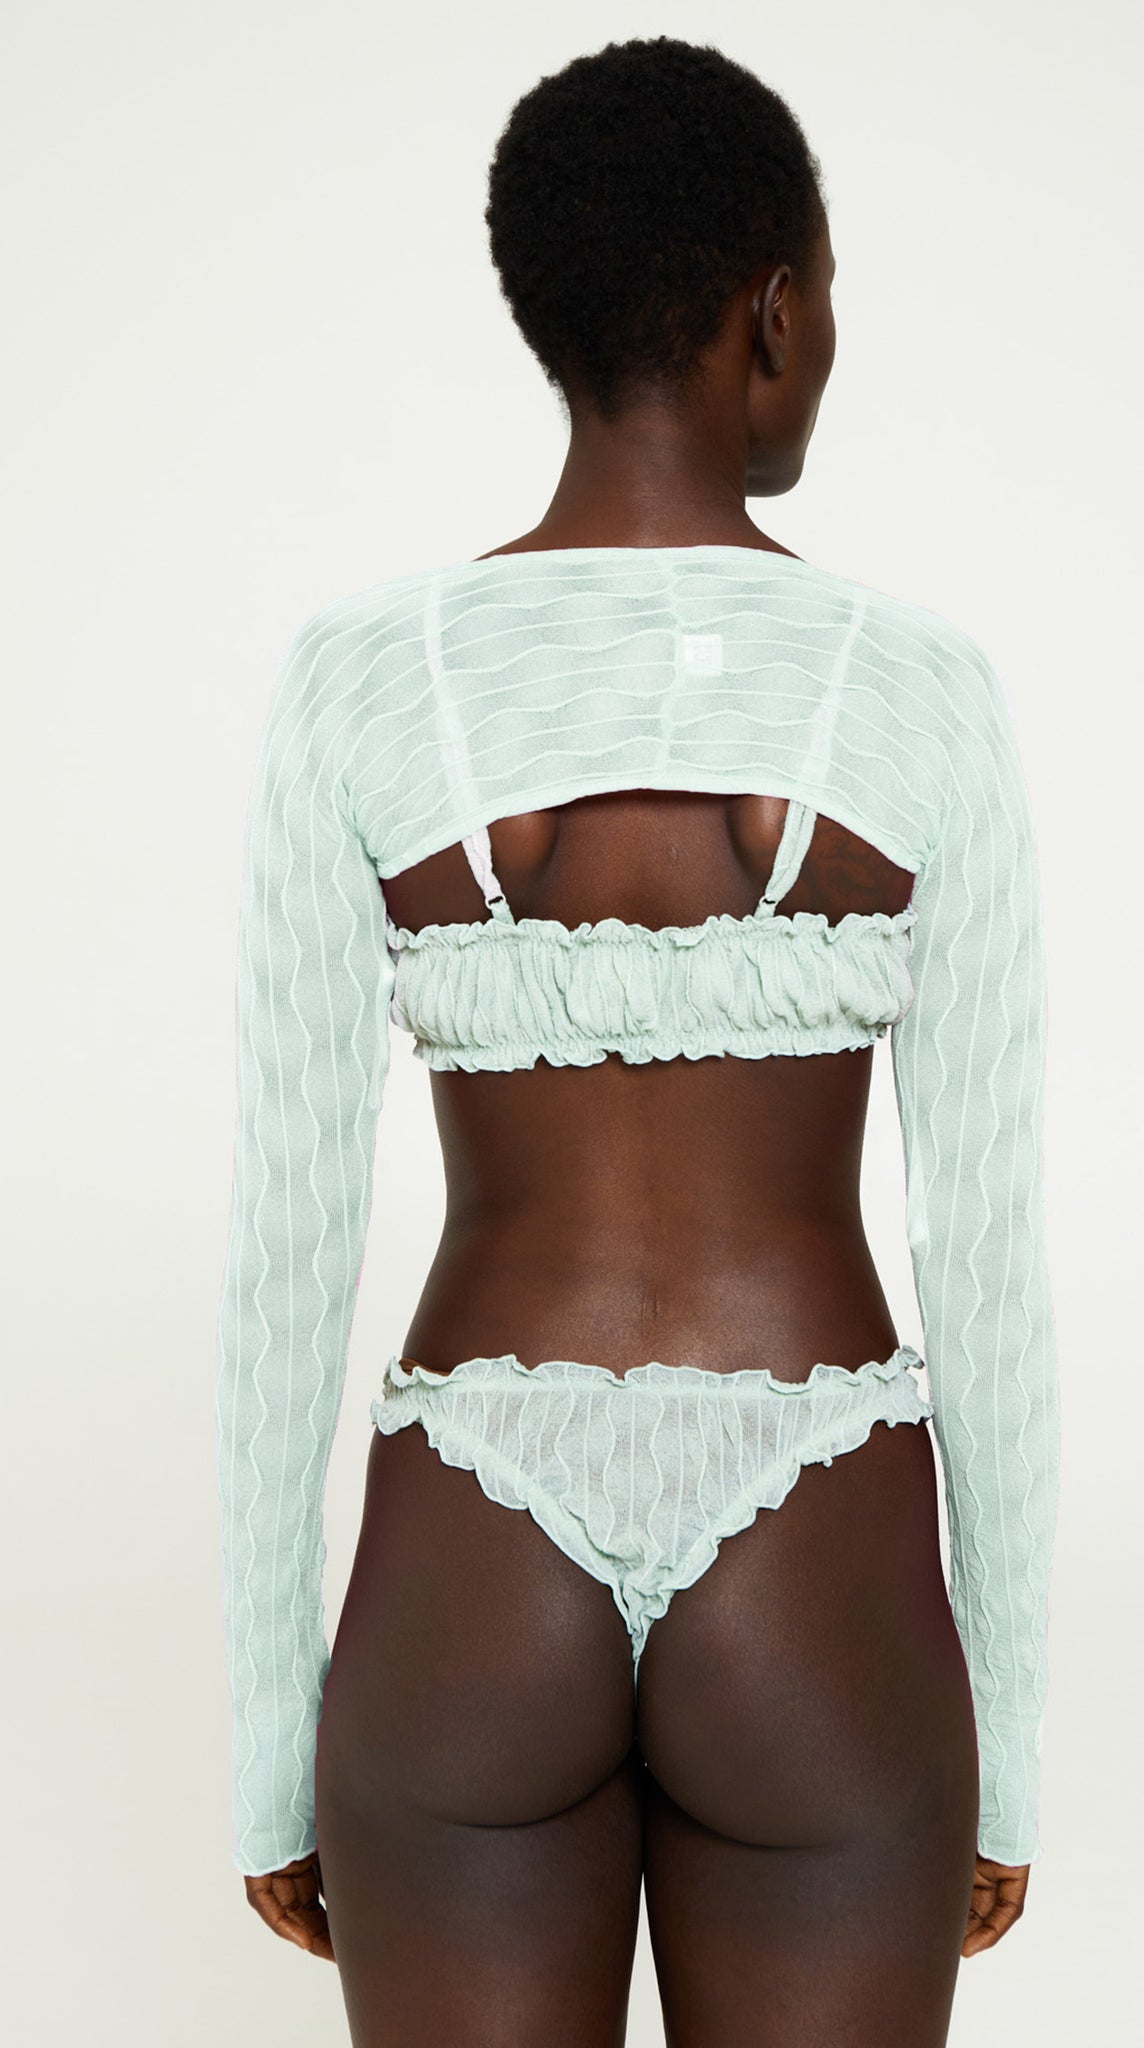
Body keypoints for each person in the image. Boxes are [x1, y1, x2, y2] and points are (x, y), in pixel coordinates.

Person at [213, 34, 1061, 2047]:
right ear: (771, 310)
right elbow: (986, 1255)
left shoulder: (362, 678)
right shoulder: (919, 689)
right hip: (820, 1543)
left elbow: (286, 1244)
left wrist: (265, 1748)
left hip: (468, 1548)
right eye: (825, 291)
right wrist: (1007, 1749)